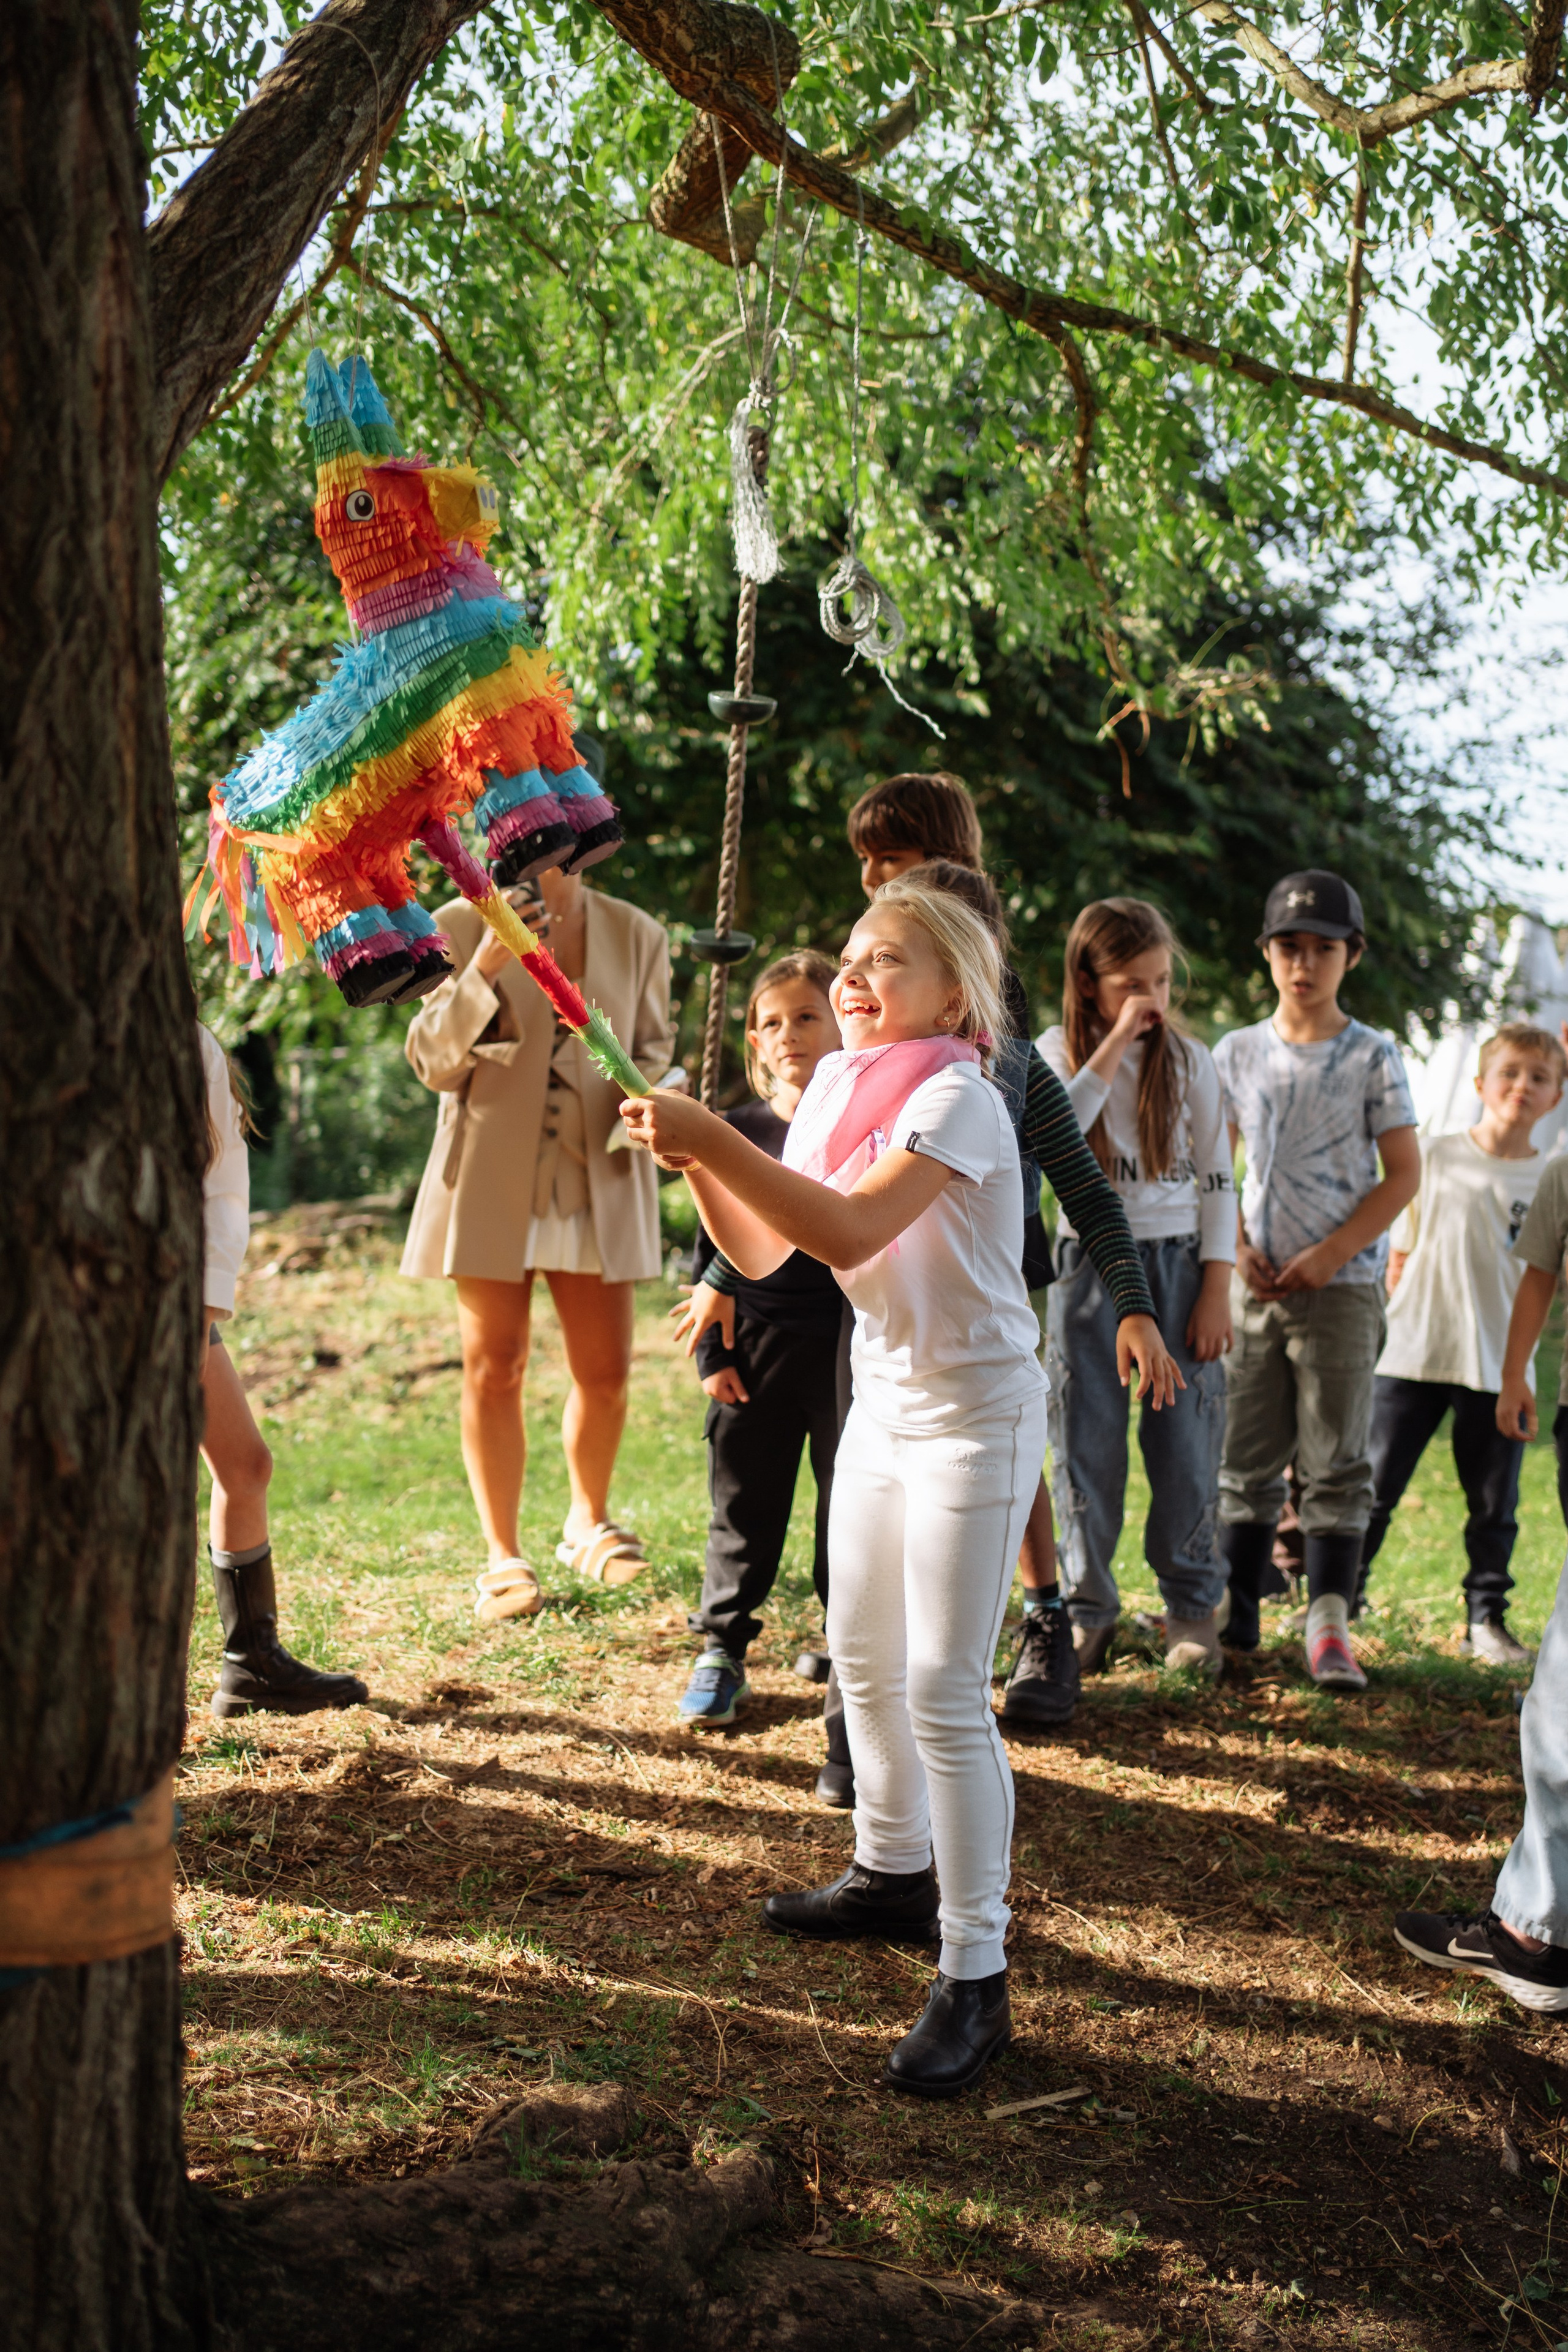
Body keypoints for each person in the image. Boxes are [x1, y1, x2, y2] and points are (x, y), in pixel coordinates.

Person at [620, 876, 1179, 2097]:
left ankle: (974, 1972)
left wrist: (712, 1137)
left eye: (888, 962)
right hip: (884, 1408)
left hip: (977, 1418)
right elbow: (772, 1250)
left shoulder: (962, 1096)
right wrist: (697, 1163)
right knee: (861, 1658)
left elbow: (850, 1229)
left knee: (939, 1690)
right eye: (848, 959)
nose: (852, 978)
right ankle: (887, 1870)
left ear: (955, 996)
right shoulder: (834, 1087)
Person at [401, 862, 674, 1620]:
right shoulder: (453, 924)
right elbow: (431, 1062)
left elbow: (655, 1048)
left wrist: (652, 1086)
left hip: (598, 1173)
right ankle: (502, 1554)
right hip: (491, 1176)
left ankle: (588, 1521)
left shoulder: (638, 933)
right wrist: (483, 969)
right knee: (495, 1366)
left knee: (607, 1370)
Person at [1213, 870, 1420, 1692]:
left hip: (1341, 1289)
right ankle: (1238, 1610)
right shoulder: (1237, 1052)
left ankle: (1330, 1620)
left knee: (1336, 1461)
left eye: (1323, 949)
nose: (1305, 964)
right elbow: (1213, 1167)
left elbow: (1402, 1173)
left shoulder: (1373, 1053)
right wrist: (1232, 1247)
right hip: (1254, 1287)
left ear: (1351, 956)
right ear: (1267, 954)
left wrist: (1334, 1254)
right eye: (1289, 947)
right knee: (1245, 1455)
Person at [673, 952, 856, 1805]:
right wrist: (715, 1354)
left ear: (844, 1022)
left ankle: (843, 1646)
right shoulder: (735, 1128)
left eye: (808, 1016)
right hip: (759, 1344)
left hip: (845, 1343)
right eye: (774, 1021)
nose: (790, 1035)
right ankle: (721, 1644)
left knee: (844, 1511)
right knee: (744, 1501)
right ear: (753, 1039)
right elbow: (714, 1253)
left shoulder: (858, 1121)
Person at [1039, 900, 1237, 1679]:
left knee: (1185, 1444)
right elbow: (1058, 1127)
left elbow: (1220, 1178)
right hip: (1086, 1267)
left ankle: (1191, 1608)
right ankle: (1087, 1607)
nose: (1151, 1001)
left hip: (1178, 1264)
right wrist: (1117, 1041)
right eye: (1130, 986)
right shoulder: (1056, 1051)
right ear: (1088, 985)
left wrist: (1216, 1283)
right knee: (1084, 1441)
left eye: (1159, 981)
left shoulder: (1190, 1060)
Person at [1359, 1023, 1565, 1662]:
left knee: (1493, 1506)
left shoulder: (1549, 1177)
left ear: (1557, 1094)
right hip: (1413, 1353)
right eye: (1508, 1073)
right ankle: (1339, 1598)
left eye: (1538, 1077)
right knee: (1372, 1489)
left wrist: (1518, 1370)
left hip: (1497, 1366)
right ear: (1480, 1084)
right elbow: (1400, 1250)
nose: (1521, 1087)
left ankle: (1485, 1619)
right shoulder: (1436, 1155)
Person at [198, 1027, 368, 1719]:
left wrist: (202, 1298)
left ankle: (250, 1664)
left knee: (245, 1467)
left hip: (170, 1287)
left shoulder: (186, 1039)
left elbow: (220, 1179)